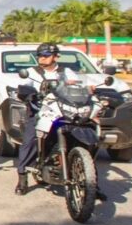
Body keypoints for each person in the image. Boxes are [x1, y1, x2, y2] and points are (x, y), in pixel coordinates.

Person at [13, 42, 82, 196]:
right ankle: (22, 177)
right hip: (40, 112)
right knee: (29, 141)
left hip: (63, 112)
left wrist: (84, 88)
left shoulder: (66, 72)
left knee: (82, 135)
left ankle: (89, 182)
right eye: (40, 55)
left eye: (46, 55)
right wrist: (26, 93)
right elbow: (22, 87)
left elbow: (79, 86)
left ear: (56, 57)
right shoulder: (32, 72)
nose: (42, 58)